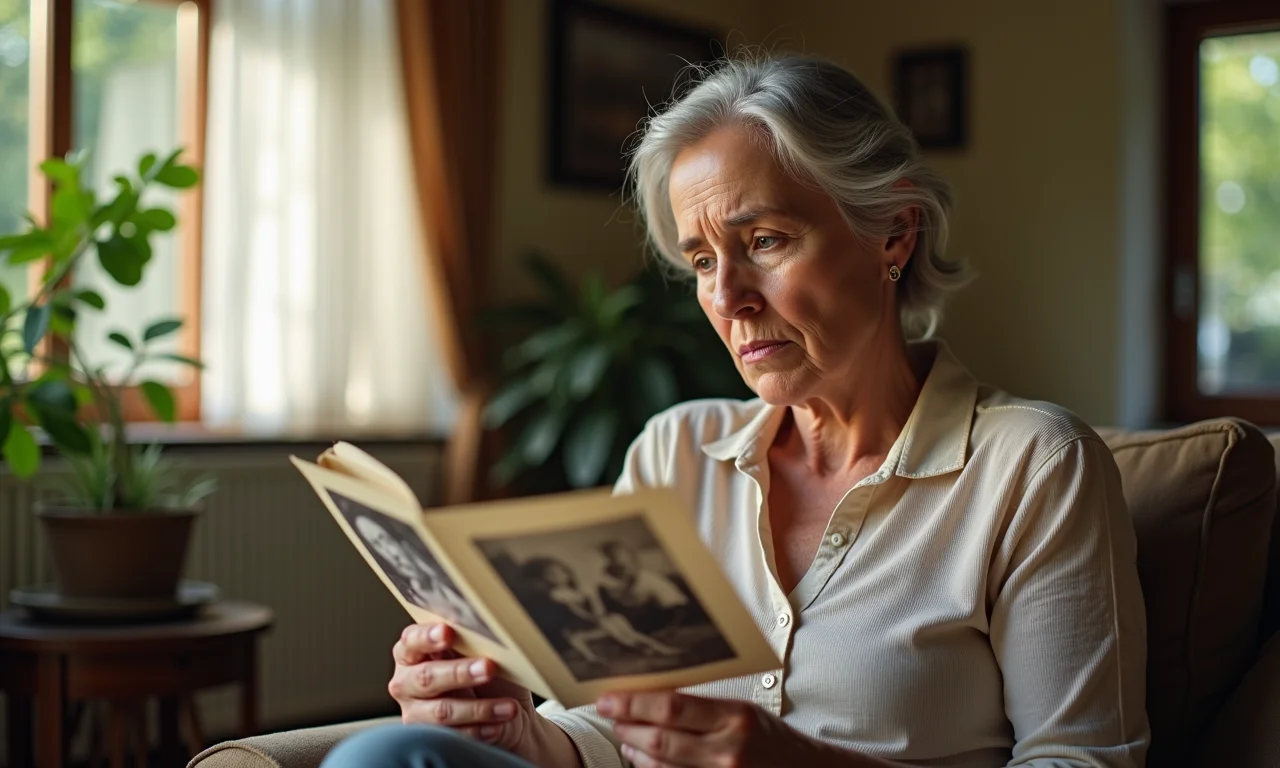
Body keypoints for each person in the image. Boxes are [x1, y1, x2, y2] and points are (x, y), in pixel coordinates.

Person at [322, 53, 1149, 768]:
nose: (727, 299)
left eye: (764, 242)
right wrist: (516, 731)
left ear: (894, 233)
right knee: (384, 754)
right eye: (702, 260)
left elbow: (1080, 759)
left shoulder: (1033, 466)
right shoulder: (675, 451)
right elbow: (607, 729)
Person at [523, 556, 681, 664]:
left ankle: (657, 647)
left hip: (600, 618)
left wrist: (598, 608)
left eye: (561, 571)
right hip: (585, 623)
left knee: (620, 623)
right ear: (544, 579)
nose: (558, 576)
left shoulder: (578, 588)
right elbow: (577, 611)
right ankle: (645, 647)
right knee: (619, 632)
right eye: (551, 574)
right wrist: (596, 616)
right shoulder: (558, 594)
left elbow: (597, 604)